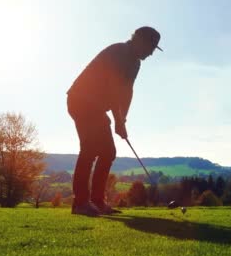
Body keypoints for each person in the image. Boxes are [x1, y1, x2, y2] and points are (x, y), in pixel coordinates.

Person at [67, 26, 162, 216]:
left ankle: (97, 202)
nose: (151, 53)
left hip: (96, 106)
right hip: (81, 100)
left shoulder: (135, 63)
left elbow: (127, 92)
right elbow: (113, 89)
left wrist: (123, 119)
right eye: (151, 47)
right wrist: (117, 121)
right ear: (139, 40)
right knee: (90, 149)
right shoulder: (118, 52)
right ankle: (81, 204)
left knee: (108, 152)